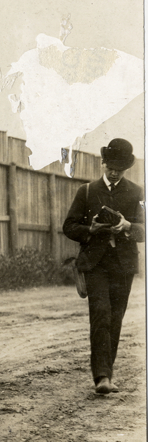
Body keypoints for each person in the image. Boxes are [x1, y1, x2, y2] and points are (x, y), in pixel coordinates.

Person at [63, 137, 145, 395]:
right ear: (103, 162)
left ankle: (107, 371)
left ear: (126, 168)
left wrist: (128, 226)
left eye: (120, 168)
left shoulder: (137, 192)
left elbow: (144, 229)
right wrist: (91, 229)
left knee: (115, 318)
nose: (114, 172)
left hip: (123, 266)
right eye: (111, 166)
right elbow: (69, 226)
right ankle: (102, 377)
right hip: (95, 264)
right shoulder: (86, 191)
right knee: (101, 314)